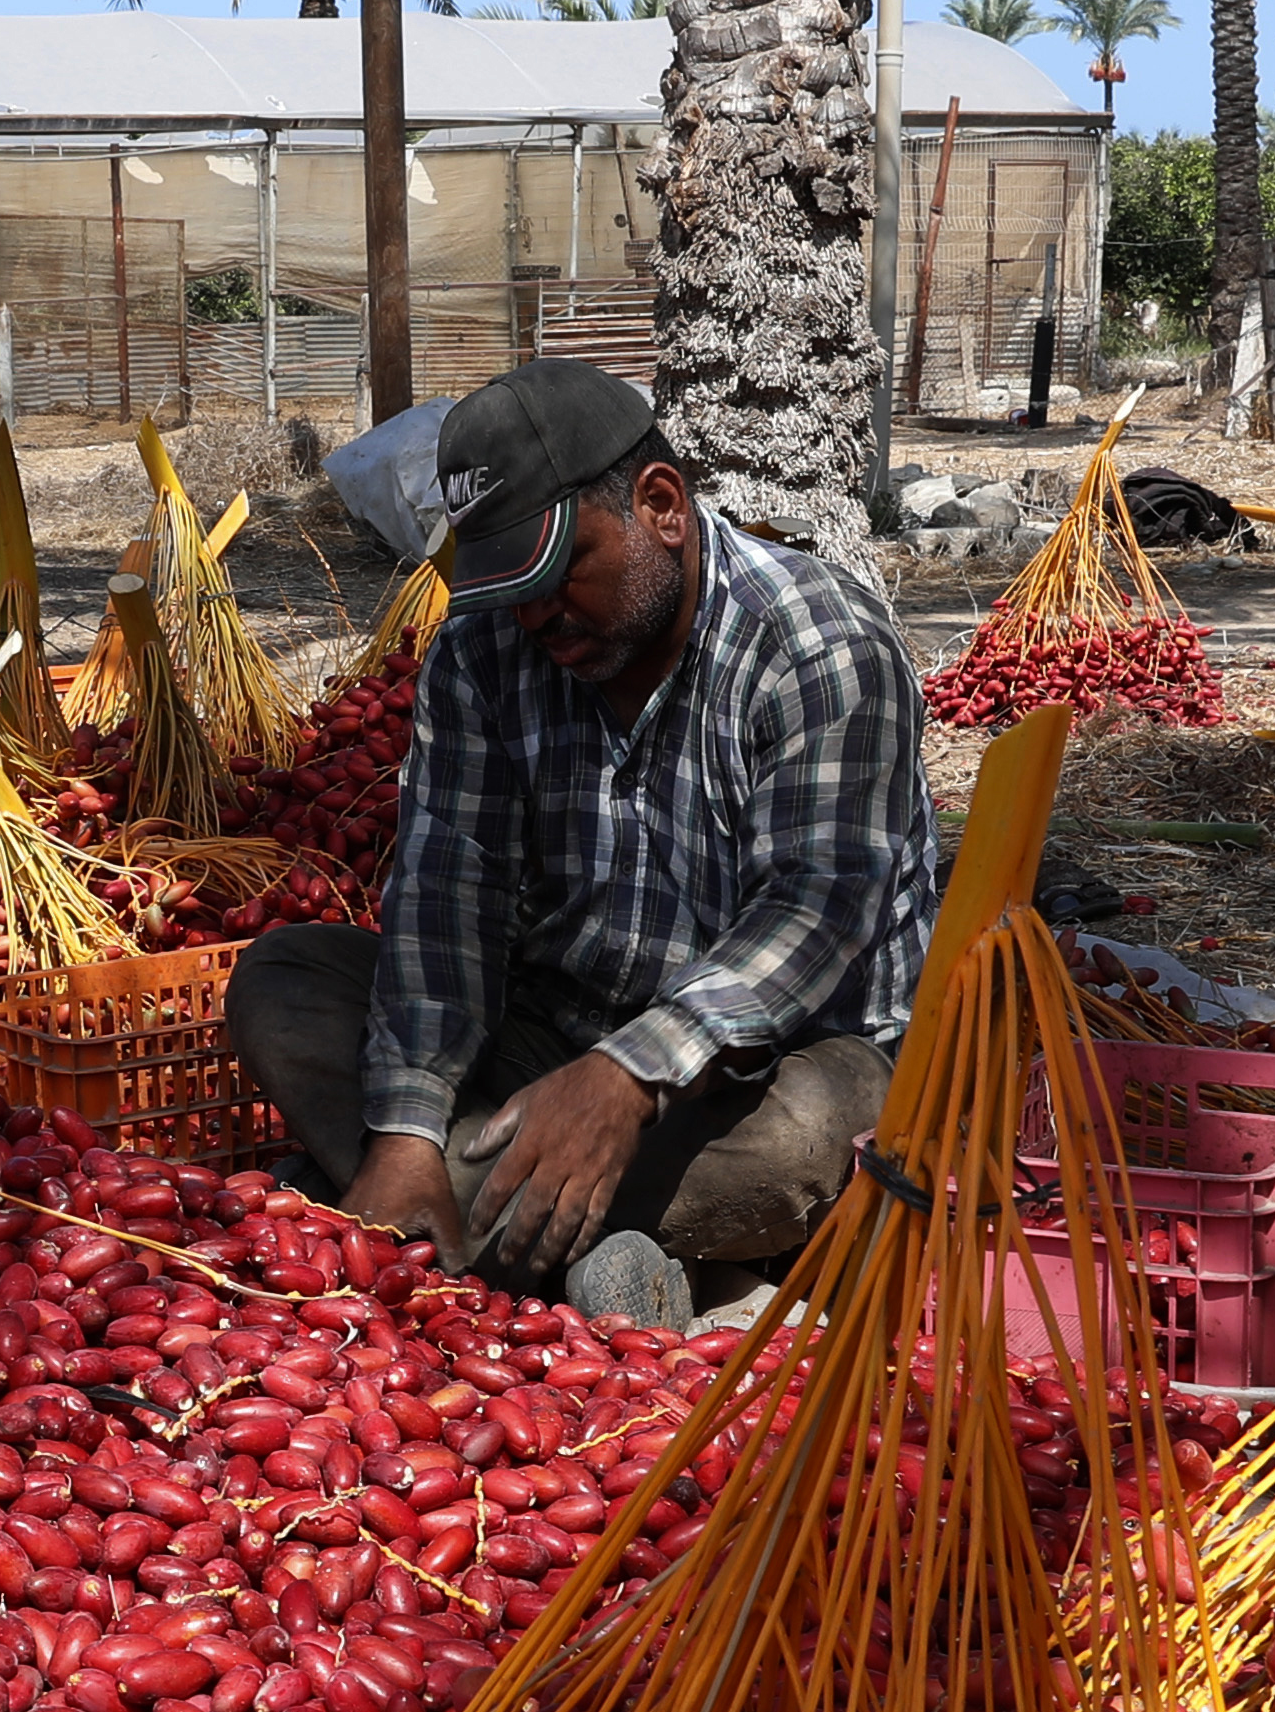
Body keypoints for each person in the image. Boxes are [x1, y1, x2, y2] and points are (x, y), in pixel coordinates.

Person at [224, 359, 946, 1329]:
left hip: (772, 1065)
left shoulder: (819, 648)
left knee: (820, 1129)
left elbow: (813, 919)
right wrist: (402, 1123)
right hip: (553, 1038)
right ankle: (563, 1231)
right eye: (504, 588)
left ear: (660, 506)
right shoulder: (483, 653)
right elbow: (448, 895)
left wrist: (627, 1077)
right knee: (285, 981)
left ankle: (460, 1216)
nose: (533, 617)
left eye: (555, 575)